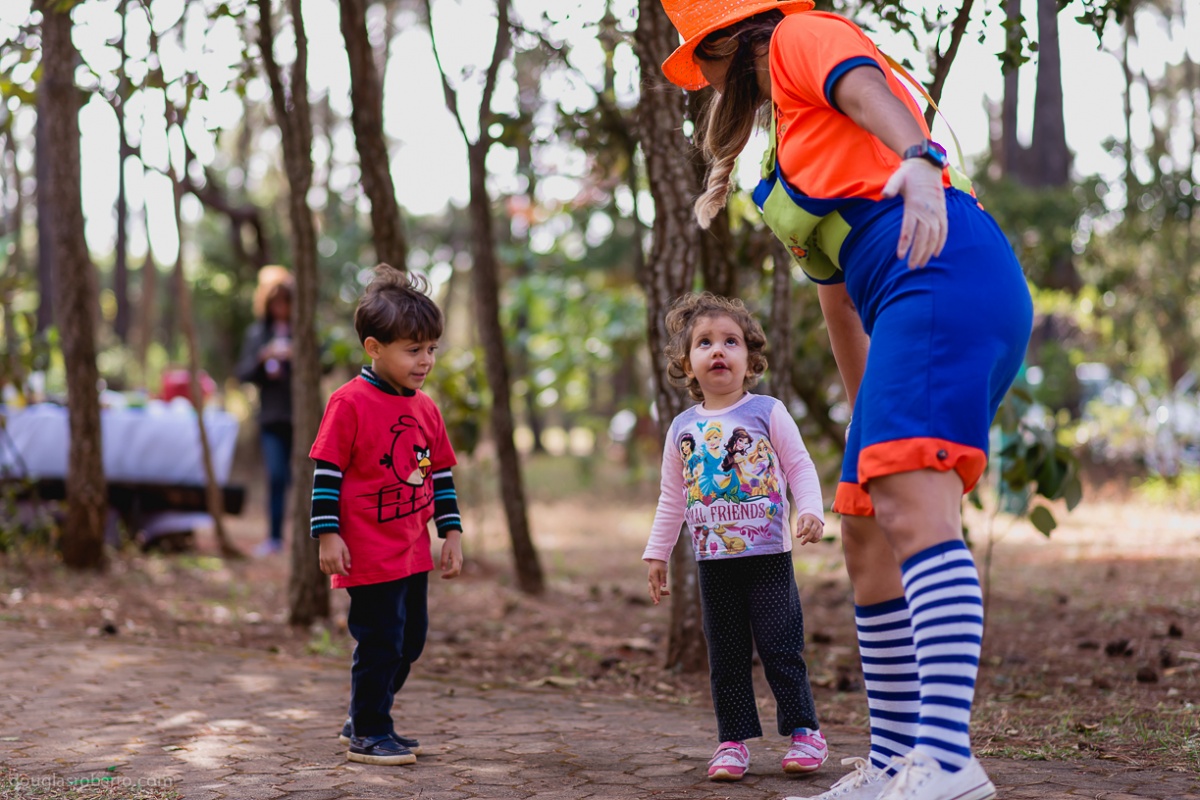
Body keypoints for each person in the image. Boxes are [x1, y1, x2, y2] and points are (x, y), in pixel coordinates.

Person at [657, 3, 1034, 800]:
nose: (706, 83)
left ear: (729, 42)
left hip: (938, 271)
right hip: (901, 299)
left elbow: (867, 90)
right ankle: (895, 763)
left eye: (704, 63)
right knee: (866, 526)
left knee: (915, 510)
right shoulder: (787, 154)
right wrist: (871, 435)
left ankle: (948, 761)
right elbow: (840, 305)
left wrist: (923, 159)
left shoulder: (800, 38)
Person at [643, 292, 828, 782]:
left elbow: (799, 466)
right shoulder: (682, 428)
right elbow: (673, 497)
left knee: (780, 645)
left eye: (730, 341)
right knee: (724, 654)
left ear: (750, 359)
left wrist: (810, 509)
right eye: (705, 343)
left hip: (768, 555)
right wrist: (657, 554)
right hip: (714, 561)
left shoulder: (767, 412)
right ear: (688, 364)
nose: (718, 350)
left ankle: (805, 731)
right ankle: (732, 742)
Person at [308, 264, 464, 766]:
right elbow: (327, 473)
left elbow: (438, 473)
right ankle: (370, 730)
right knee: (379, 640)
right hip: (368, 551)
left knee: (409, 642)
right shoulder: (348, 403)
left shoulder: (426, 409)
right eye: (413, 350)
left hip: (412, 548)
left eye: (431, 349)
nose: (425, 361)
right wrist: (327, 534)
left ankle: (365, 713)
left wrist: (452, 533)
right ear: (374, 348)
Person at [235, 266, 296, 557]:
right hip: (271, 417)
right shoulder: (257, 333)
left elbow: (326, 364)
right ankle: (274, 537)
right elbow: (242, 372)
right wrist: (263, 358)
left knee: (306, 479)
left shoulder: (303, 332)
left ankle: (310, 537)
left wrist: (298, 356)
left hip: (301, 417)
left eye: (286, 301)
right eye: (276, 302)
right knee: (276, 476)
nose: (281, 308)